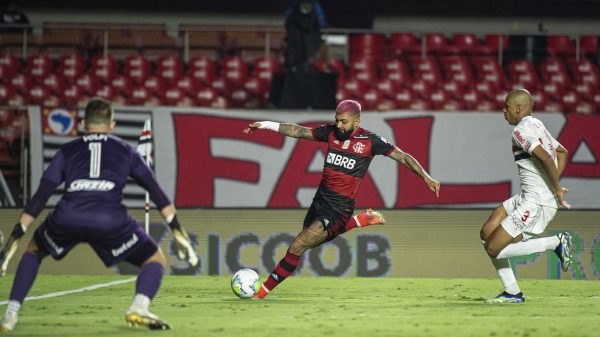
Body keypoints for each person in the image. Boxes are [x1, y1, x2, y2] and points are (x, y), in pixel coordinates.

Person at [0, 98, 199, 332]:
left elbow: (42, 195)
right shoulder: (126, 150)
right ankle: (138, 307)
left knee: (33, 251)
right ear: (112, 125)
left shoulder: (67, 150)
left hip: (68, 215)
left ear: (83, 123)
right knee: (155, 260)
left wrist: (14, 238)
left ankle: (10, 315)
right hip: (109, 219)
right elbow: (156, 192)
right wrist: (178, 231)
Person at [243, 99, 441, 299]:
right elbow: (298, 131)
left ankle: (261, 292)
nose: (339, 125)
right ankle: (357, 221)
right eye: (337, 120)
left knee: (298, 245)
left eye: (344, 122)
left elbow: (403, 156)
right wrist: (266, 125)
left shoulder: (371, 141)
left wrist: (426, 177)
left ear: (357, 122)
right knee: (309, 242)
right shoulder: (330, 132)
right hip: (320, 199)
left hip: (340, 206)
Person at [480, 89, 573, 303]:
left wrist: (556, 189)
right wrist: (552, 186)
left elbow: (548, 160)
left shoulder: (521, 131)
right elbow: (562, 152)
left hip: (536, 202)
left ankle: (555, 242)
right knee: (487, 232)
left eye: (506, 106)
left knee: (494, 248)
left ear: (518, 108)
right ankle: (512, 292)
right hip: (528, 196)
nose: (503, 111)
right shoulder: (537, 124)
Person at [284, 0, 326, 72]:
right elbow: (322, 23)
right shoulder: (295, 6)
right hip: (300, 46)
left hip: (305, 45)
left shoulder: (294, 6)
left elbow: (286, 21)